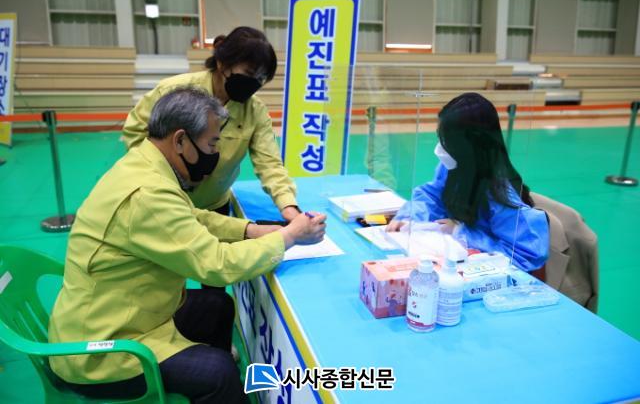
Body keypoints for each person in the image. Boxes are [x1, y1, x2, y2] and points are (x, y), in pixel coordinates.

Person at [48, 88, 327, 403]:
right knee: (218, 372)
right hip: (102, 350)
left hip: (127, 310)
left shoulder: (145, 164)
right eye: (211, 144)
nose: (215, 154)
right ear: (180, 140)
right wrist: (289, 237)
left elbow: (191, 217)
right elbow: (217, 264)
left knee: (217, 307)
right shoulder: (148, 194)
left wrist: (250, 229)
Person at [123, 26, 301, 222]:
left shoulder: (255, 111)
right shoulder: (173, 91)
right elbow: (135, 133)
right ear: (222, 63)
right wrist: (163, 175)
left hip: (214, 205)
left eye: (260, 78)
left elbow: (270, 163)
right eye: (249, 73)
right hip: (166, 201)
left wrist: (289, 206)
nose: (254, 83)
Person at [387, 92, 549, 272]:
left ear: (467, 146)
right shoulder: (456, 165)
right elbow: (432, 195)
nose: (441, 147)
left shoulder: (500, 192)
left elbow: (523, 256)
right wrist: (410, 217)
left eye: (447, 141)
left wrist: (461, 233)